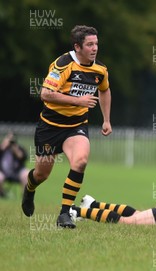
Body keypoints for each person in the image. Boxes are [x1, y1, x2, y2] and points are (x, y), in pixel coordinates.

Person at [21, 25, 112, 228]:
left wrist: (106, 119)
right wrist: (78, 101)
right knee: (41, 174)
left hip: (76, 126)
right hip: (50, 127)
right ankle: (29, 188)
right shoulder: (63, 64)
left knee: (80, 161)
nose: (95, 48)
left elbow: (105, 90)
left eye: (96, 43)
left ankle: (64, 213)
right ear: (77, 47)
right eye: (90, 44)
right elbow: (45, 94)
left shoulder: (100, 69)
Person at [0, 132, 29, 198]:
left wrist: (15, 149)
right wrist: (3, 146)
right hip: (3, 172)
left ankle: (25, 197)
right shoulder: (2, 148)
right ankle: (2, 194)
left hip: (17, 172)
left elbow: (23, 157)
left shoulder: (19, 148)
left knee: (27, 174)